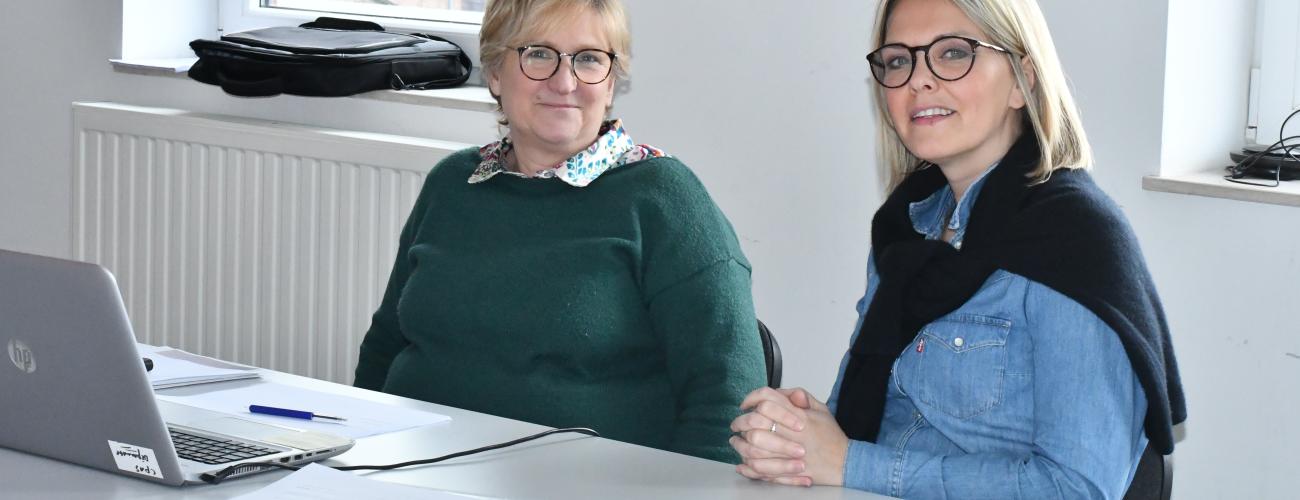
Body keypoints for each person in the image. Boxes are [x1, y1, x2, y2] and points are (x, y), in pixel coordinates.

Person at [728, 0, 1186, 497]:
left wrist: (852, 463)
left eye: (953, 53)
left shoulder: (1074, 241)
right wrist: (798, 437)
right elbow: (873, 431)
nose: (919, 81)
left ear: (1022, 81)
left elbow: (1076, 488)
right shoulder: (906, 230)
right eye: (899, 60)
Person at [353, 0, 766, 463]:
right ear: (495, 73)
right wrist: (356, 457)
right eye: (538, 54)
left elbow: (728, 401)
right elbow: (385, 343)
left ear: (611, 82)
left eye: (588, 58)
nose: (565, 82)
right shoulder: (452, 184)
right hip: (411, 467)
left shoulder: (665, 200)